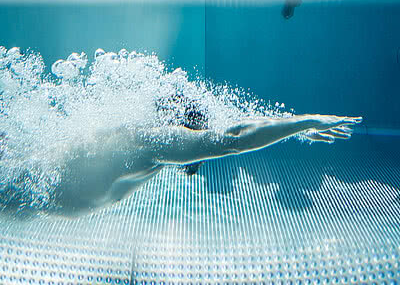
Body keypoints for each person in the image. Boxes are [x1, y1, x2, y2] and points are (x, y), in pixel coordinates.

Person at [0, 112, 361, 217]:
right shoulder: (155, 140)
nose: (195, 162)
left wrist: (291, 131)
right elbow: (231, 141)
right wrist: (306, 122)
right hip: (30, 188)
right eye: (195, 155)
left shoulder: (144, 139)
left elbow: (227, 129)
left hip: (36, 193)